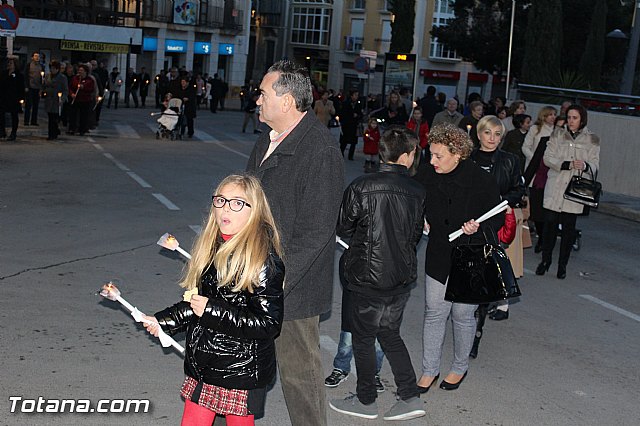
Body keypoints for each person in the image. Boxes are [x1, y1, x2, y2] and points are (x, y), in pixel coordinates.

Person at [246, 59, 344, 426]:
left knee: (299, 377)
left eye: (264, 93)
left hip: (291, 290)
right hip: (251, 274)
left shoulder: (320, 150)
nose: (258, 100)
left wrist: (276, 280)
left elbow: (317, 232)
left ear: (287, 101)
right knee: (241, 366)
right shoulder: (267, 140)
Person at [143, 174, 285, 426]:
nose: (224, 209)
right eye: (220, 200)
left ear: (255, 210)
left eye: (236, 203)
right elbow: (197, 304)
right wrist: (163, 322)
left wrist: (212, 310)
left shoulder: (263, 260)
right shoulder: (214, 247)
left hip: (240, 369)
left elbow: (268, 324)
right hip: (206, 362)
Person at [329, 127, 427, 421]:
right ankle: (409, 395)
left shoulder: (361, 186)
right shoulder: (418, 191)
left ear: (383, 152)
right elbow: (414, 236)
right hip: (400, 277)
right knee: (389, 333)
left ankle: (366, 400)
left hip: (366, 277)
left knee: (363, 338)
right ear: (407, 157)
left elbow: (343, 227)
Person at [414, 124, 502, 394]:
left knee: (463, 315)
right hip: (440, 251)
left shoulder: (479, 179)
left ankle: (459, 367)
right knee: (434, 312)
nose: (432, 161)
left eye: (439, 156)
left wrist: (478, 227)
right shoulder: (428, 173)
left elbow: (497, 216)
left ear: (458, 154)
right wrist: (424, 220)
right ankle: (429, 370)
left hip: (470, 253)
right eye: (431, 154)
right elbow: (417, 201)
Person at [469, 116, 525, 358]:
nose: (492, 138)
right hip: (468, 225)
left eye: (497, 134)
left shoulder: (510, 161)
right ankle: (467, 323)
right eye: (488, 133)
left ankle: (477, 330)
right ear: (479, 134)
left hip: (494, 226)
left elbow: (519, 189)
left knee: (484, 279)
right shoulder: (466, 159)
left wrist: (503, 203)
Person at [537, 105, 600, 279]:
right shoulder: (557, 134)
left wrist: (586, 166)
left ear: (582, 120)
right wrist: (566, 164)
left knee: (568, 230)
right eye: (569, 117)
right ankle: (545, 260)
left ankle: (562, 265)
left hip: (574, 190)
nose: (571, 121)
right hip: (555, 186)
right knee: (549, 226)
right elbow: (548, 157)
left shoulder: (592, 139)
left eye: (575, 118)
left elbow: (595, 164)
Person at [523, 106, 557, 253]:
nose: (552, 117)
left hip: (548, 173)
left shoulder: (557, 131)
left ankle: (544, 238)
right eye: (550, 115)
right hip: (535, 171)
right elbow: (526, 147)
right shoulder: (535, 129)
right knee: (535, 208)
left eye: (554, 115)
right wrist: (536, 160)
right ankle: (540, 233)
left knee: (545, 206)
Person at [0, 58, 25, 141]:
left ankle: (13, 133)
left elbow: (21, 87)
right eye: (9, 63)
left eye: (11, 63)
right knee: (1, 114)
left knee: (14, 115)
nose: (9, 65)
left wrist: (21, 98)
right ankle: (2, 131)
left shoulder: (19, 75)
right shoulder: (4, 73)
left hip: (14, 98)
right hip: (4, 97)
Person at [43, 60, 68, 141]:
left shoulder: (62, 78)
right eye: (51, 68)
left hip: (56, 100)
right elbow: (45, 85)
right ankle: (52, 133)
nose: (52, 70)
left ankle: (53, 134)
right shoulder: (47, 76)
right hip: (49, 99)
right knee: (50, 117)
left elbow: (65, 90)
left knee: (54, 118)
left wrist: (63, 99)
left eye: (54, 68)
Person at [68, 64, 95, 136]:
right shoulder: (75, 78)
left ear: (85, 72)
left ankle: (82, 129)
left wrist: (84, 87)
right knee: (73, 115)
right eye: (79, 70)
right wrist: (72, 94)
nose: (80, 72)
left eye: (81, 70)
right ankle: (72, 129)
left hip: (85, 100)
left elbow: (91, 89)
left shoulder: (90, 80)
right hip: (76, 99)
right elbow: (70, 87)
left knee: (83, 116)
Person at [339, 90, 364, 160]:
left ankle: (351, 155)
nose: (356, 96)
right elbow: (342, 114)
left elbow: (361, 114)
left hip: (354, 125)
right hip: (347, 124)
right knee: (344, 140)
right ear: (351, 96)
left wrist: (358, 115)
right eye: (355, 95)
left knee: (353, 141)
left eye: (357, 95)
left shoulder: (358, 104)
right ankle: (341, 153)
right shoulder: (346, 103)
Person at [24, 52, 44, 126]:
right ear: (32, 57)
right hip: (30, 87)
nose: (37, 58)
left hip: (37, 87)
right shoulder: (29, 65)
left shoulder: (41, 66)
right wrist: (26, 86)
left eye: (38, 56)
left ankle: (34, 121)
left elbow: (42, 77)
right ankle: (26, 121)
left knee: (36, 105)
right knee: (28, 105)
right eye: (35, 56)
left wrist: (41, 88)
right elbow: (26, 76)